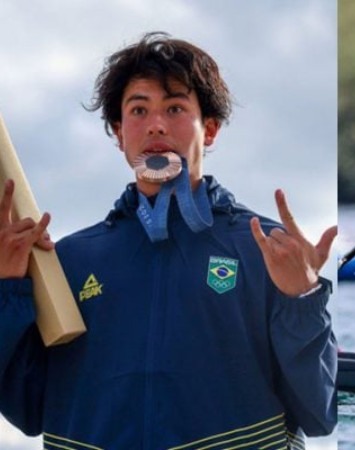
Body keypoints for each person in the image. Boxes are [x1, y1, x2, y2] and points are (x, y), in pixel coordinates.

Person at [0, 32, 337, 448]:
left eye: (175, 107)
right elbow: (27, 409)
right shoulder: (70, 259)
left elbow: (319, 413)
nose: (156, 124)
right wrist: (6, 290)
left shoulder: (267, 249)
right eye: (139, 110)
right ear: (119, 133)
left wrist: (302, 301)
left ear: (209, 130)